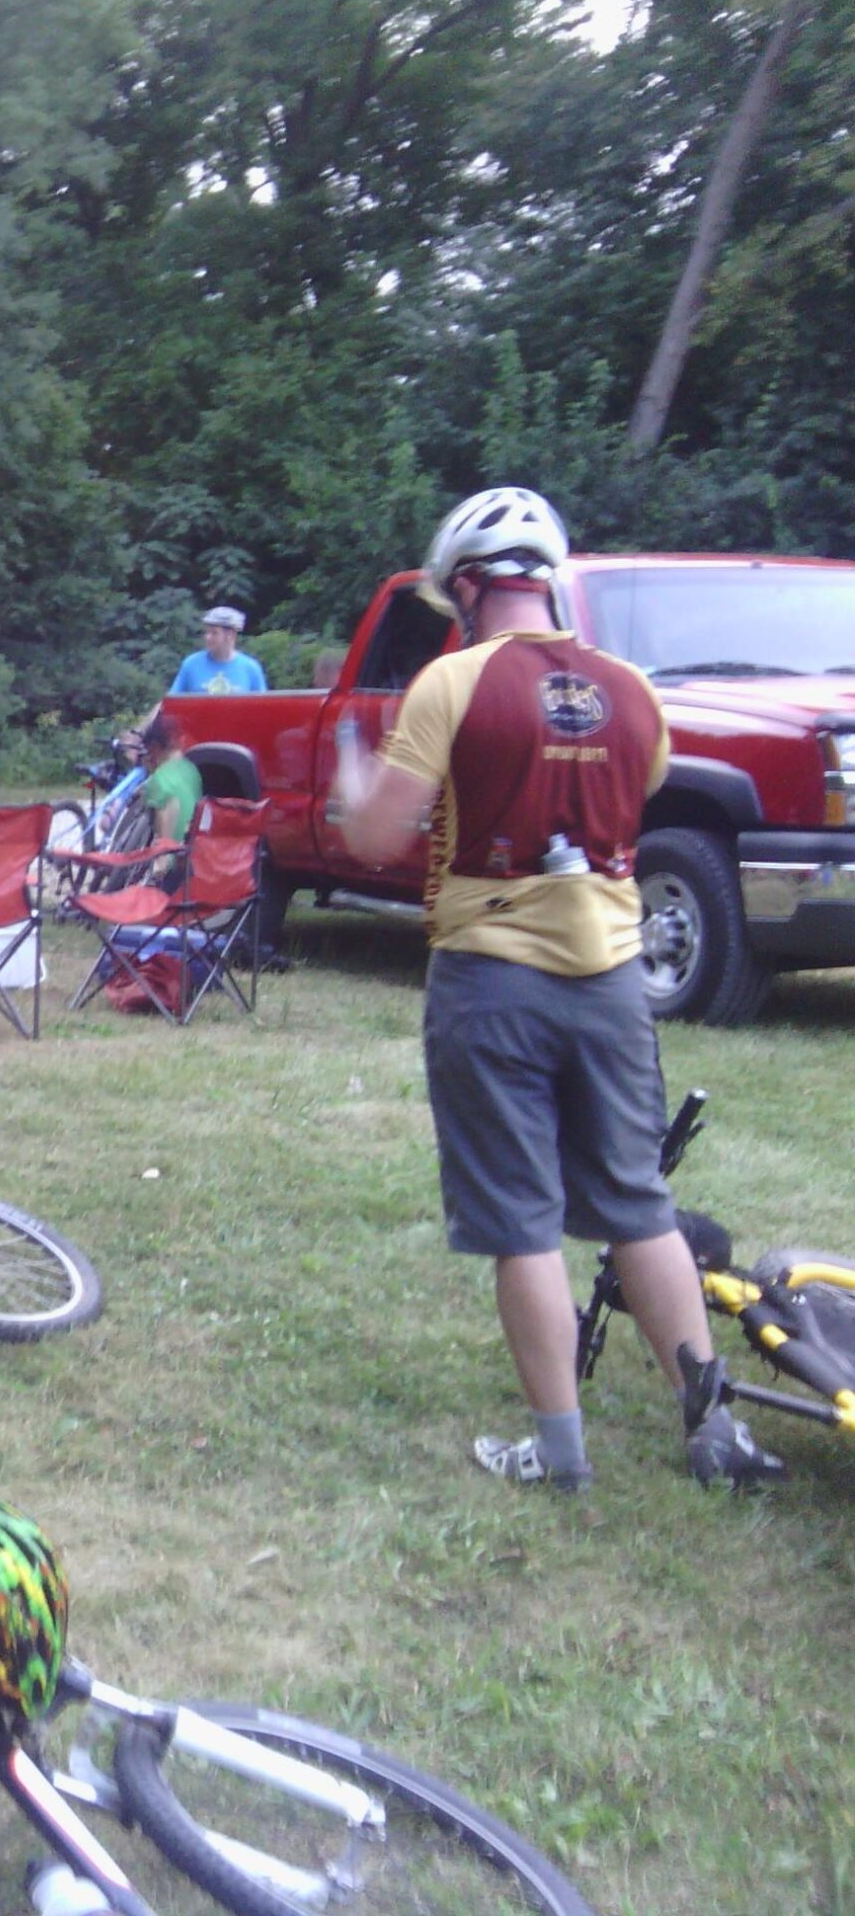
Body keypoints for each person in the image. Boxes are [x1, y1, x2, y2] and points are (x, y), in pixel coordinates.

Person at [339, 485, 780, 1492]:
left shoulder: (452, 683)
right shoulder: (633, 690)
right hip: (612, 981)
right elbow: (637, 789)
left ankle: (560, 1452)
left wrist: (353, 784)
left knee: (520, 1221)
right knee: (640, 1207)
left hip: (491, 980)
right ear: (545, 580)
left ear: (465, 588)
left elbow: (374, 835)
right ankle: (714, 1431)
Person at [136, 713, 202, 847]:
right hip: (192, 851)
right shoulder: (192, 770)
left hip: (171, 855)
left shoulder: (159, 780)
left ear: (154, 747)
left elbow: (163, 836)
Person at [170, 606, 268, 695]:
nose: (208, 637)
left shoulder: (250, 668)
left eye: (214, 633)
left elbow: (262, 706)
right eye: (207, 632)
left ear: (231, 635)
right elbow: (171, 703)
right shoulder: (191, 664)